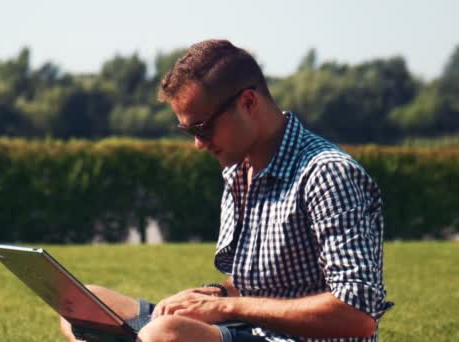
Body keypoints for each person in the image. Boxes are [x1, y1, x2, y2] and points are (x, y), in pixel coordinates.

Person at [60, 39, 393, 342]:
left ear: (248, 102)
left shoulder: (327, 174)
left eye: (202, 128)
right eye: (187, 130)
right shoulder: (237, 169)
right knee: (84, 306)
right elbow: (265, 283)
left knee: (166, 334)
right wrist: (216, 293)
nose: (197, 144)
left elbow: (358, 315)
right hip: (250, 331)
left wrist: (232, 308)